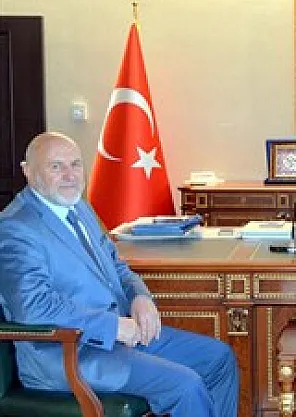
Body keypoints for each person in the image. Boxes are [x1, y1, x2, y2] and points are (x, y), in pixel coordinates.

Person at [0, 132, 238, 417]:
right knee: (185, 386)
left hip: (121, 337)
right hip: (69, 354)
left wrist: (140, 296)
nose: (70, 176)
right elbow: (33, 307)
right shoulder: (15, 228)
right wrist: (112, 327)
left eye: (75, 164)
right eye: (56, 167)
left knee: (218, 359)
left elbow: (117, 265)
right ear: (28, 171)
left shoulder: (78, 208)